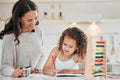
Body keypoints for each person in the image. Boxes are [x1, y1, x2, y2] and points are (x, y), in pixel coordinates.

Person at [0, 0, 45, 77]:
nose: (34, 22)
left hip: (34, 77)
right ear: (19, 19)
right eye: (29, 20)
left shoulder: (38, 31)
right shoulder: (9, 37)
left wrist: (38, 69)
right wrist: (13, 72)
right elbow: (5, 67)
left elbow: (42, 55)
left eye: (36, 18)